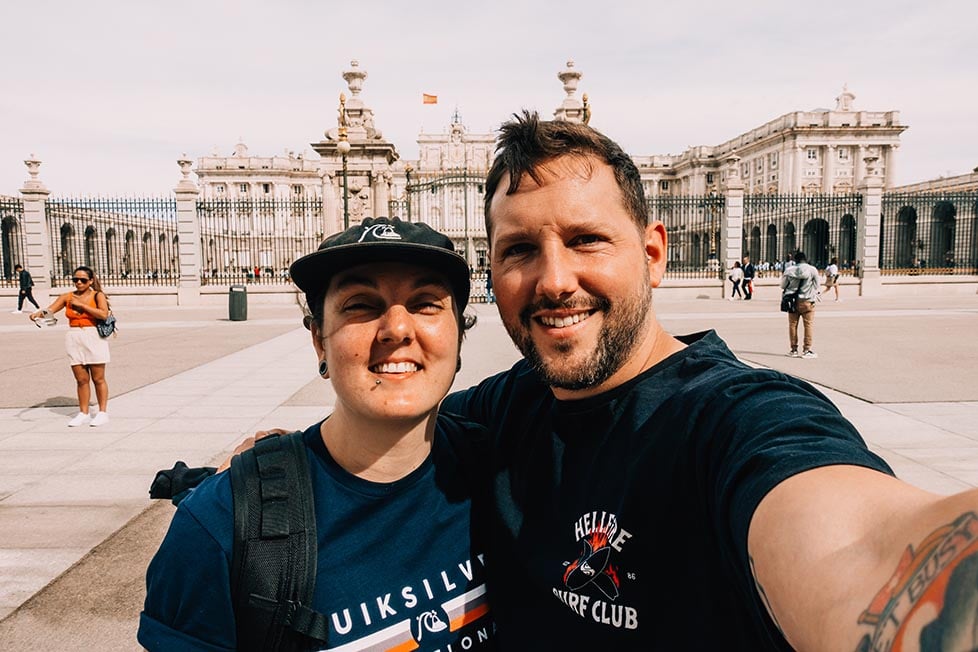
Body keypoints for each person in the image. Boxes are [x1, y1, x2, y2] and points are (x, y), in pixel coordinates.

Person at [220, 113, 978, 651]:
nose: (554, 281)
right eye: (518, 250)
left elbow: (863, 549)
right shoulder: (514, 404)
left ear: (653, 253)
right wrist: (285, 464)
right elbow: (403, 435)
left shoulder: (734, 421)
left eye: (585, 240)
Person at [139, 218, 495, 651]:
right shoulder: (217, 528)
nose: (398, 330)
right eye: (361, 304)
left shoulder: (503, 465)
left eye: (425, 304)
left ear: (459, 335)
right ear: (319, 340)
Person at [28, 266, 111, 427]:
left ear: (91, 281)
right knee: (81, 379)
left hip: (93, 335)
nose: (78, 282)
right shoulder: (67, 297)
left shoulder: (97, 295)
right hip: (74, 336)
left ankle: (102, 412)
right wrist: (37, 314)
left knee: (98, 378)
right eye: (75, 280)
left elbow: (103, 314)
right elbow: (50, 310)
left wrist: (82, 305)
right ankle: (83, 413)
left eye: (83, 280)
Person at [781, 250, 820, 359]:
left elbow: (783, 285)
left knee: (793, 325)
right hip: (807, 301)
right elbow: (817, 286)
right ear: (806, 259)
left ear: (795, 260)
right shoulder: (812, 270)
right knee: (808, 325)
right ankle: (807, 350)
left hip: (793, 302)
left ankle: (793, 350)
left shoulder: (789, 270)